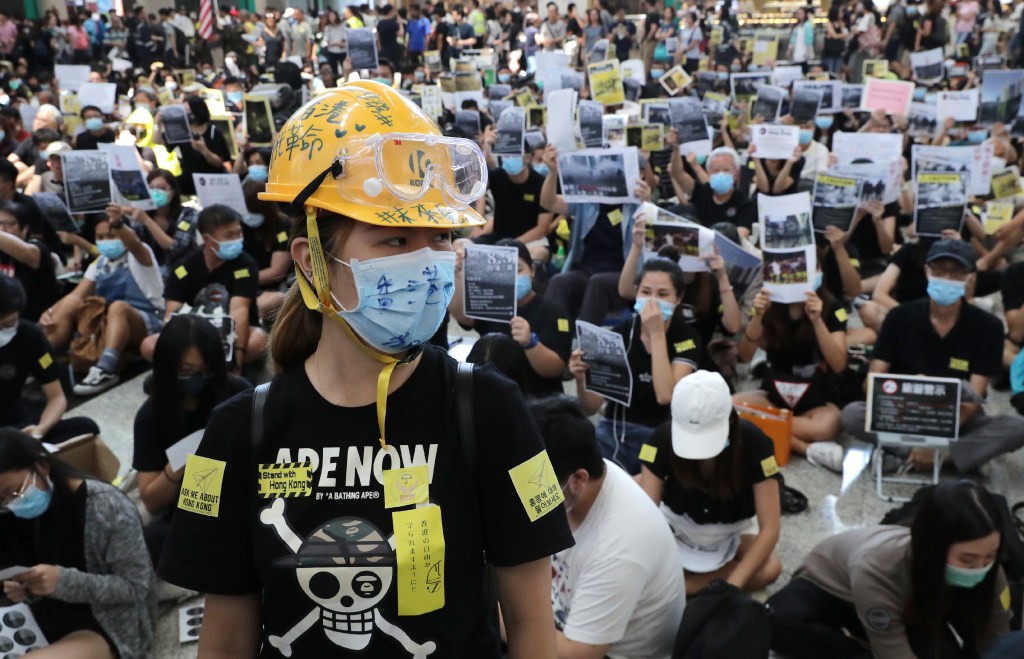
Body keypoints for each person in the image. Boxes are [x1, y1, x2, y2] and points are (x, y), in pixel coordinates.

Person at [158, 81, 574, 658]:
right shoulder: (237, 433)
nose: (427, 265)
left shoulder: (491, 410)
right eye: (396, 239)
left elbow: (532, 630)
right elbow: (225, 640)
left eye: (439, 240)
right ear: (313, 262)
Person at [768, 481, 1012, 658]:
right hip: (835, 591)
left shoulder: (991, 571)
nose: (980, 568)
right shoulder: (879, 568)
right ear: (933, 547)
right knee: (779, 621)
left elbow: (998, 640)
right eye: (967, 560)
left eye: (990, 556)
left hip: (910, 607)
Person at [841, 240, 1024, 473]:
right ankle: (939, 456)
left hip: (957, 417)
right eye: (940, 270)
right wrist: (899, 393)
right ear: (927, 271)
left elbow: (974, 396)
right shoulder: (899, 317)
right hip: (902, 412)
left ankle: (928, 455)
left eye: (957, 272)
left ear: (970, 278)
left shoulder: (988, 327)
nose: (947, 278)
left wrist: (937, 433)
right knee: (852, 414)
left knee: (1016, 427)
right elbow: (873, 381)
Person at [531, 396, 686, 659]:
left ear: (578, 479)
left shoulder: (619, 544)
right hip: (567, 617)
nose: (529, 495)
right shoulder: (589, 480)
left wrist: (496, 608)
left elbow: (577, 653)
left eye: (535, 484)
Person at [0, 428, 156, 659]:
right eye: (3, 500)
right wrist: (26, 588)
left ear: (42, 466)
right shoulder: (16, 512)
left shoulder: (106, 507)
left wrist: (62, 581)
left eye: (13, 492)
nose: (12, 503)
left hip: (103, 622)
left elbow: (135, 587)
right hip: (44, 613)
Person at [641, 372, 782, 595]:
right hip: (675, 524)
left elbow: (770, 529)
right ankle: (696, 585)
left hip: (733, 530)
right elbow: (645, 519)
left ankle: (684, 588)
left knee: (771, 567)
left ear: (731, 419)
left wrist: (732, 586)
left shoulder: (756, 443)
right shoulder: (661, 438)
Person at [132, 315, 250, 565]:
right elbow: (151, 500)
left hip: (241, 489)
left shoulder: (236, 392)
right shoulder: (151, 415)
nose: (196, 378)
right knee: (150, 543)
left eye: (204, 371)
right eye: (185, 371)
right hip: (192, 499)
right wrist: (182, 463)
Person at [571, 258, 702, 475]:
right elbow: (590, 408)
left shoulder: (687, 338)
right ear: (636, 292)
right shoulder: (619, 334)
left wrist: (657, 334)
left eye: (662, 295)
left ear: (678, 298)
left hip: (662, 435)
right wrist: (580, 378)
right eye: (646, 292)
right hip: (614, 432)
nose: (652, 301)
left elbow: (665, 395)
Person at [42, 214, 164, 396]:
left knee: (118, 307)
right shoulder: (99, 263)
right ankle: (38, 358)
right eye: (100, 237)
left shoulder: (140, 254)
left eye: (111, 235)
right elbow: (77, 295)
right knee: (69, 303)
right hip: (106, 324)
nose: (106, 241)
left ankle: (105, 370)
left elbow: (135, 244)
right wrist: (50, 311)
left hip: (145, 323)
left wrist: (118, 224)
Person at [734, 279, 848, 471]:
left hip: (816, 400)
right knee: (729, 409)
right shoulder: (769, 304)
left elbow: (838, 364)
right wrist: (758, 315)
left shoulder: (833, 306)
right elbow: (744, 356)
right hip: (773, 397)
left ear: (818, 271)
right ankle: (807, 449)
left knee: (828, 426)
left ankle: (763, 430)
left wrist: (817, 320)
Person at [139, 204, 265, 370]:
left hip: (234, 334)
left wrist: (237, 362)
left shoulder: (246, 265)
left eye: (238, 233)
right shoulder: (183, 268)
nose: (237, 239)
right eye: (229, 235)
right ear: (207, 239)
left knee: (259, 341)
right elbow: (172, 315)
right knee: (148, 346)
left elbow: (239, 311)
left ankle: (201, 367)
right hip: (193, 334)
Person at [452, 239, 572, 398]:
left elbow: (555, 369)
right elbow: (463, 316)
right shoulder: (490, 302)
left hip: (538, 399)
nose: (512, 277)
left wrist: (531, 343)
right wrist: (458, 275)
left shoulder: (553, 311)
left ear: (532, 271)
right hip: (494, 395)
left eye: (518, 270)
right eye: (502, 272)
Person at [124, 168, 198, 274]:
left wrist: (147, 220)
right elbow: (134, 246)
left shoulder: (188, 214)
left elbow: (175, 247)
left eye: (162, 188)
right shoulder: (140, 215)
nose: (155, 192)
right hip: (151, 273)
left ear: (173, 191)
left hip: (182, 272)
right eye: (151, 188)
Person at [672, 147, 757, 238]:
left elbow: (741, 234)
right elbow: (678, 174)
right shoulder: (702, 191)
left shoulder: (744, 203)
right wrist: (676, 148)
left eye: (726, 170)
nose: (721, 174)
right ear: (709, 173)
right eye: (716, 170)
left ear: (735, 174)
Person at [0, 199, 59, 322]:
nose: (3, 229)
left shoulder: (37, 247)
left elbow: (27, 254)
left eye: (10, 224)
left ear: (25, 228)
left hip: (34, 320)